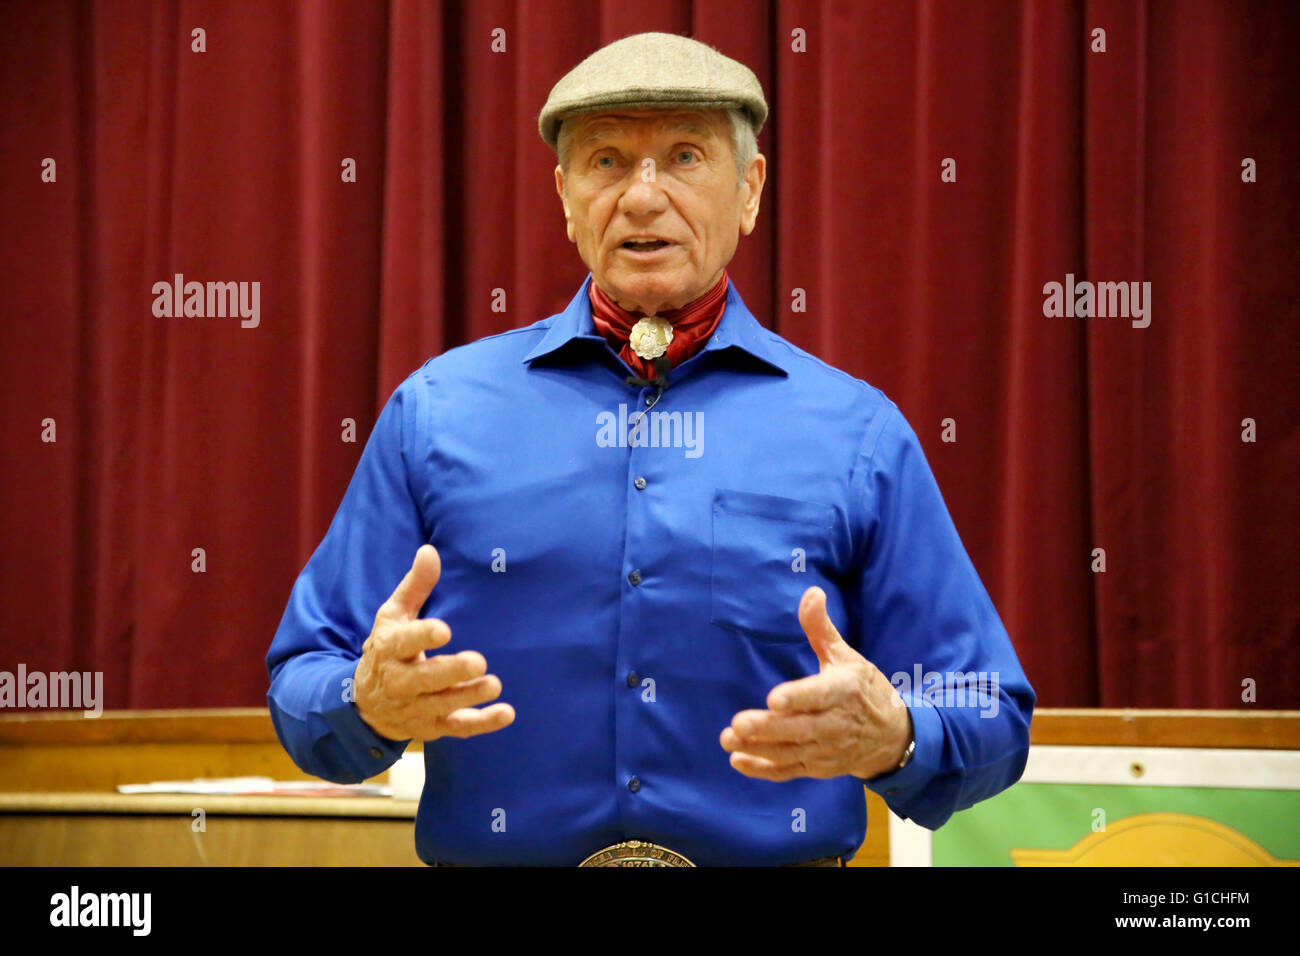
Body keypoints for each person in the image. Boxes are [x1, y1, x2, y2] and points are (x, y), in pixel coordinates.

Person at [266, 31, 1034, 867]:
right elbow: (303, 680)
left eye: (684, 156)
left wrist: (898, 735)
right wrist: (364, 702)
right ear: (564, 196)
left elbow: (990, 709)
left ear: (750, 189)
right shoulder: (436, 413)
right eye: (606, 161)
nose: (642, 197)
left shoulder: (857, 434)